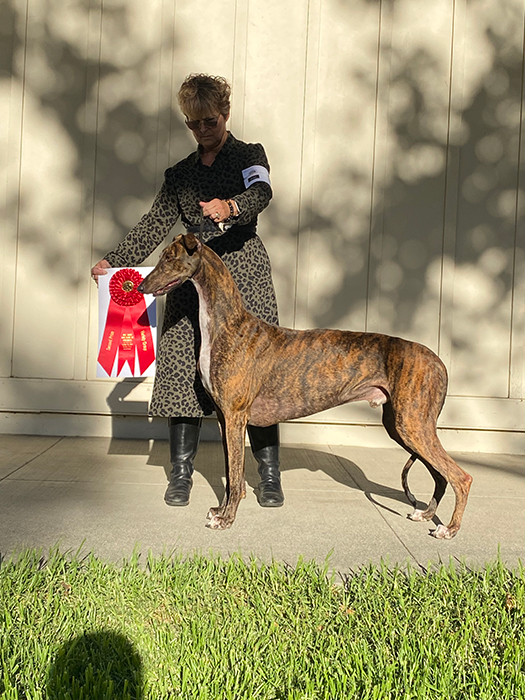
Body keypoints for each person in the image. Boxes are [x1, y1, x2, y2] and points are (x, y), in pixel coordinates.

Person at [91, 73, 284, 509]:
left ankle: (268, 475)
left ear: (226, 113)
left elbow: (262, 192)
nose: (202, 130)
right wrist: (113, 260)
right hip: (188, 278)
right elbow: (154, 224)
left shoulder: (249, 155)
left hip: (243, 273)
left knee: (258, 373)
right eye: (193, 123)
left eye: (209, 121)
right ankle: (181, 473)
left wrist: (230, 206)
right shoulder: (180, 174)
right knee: (181, 366)